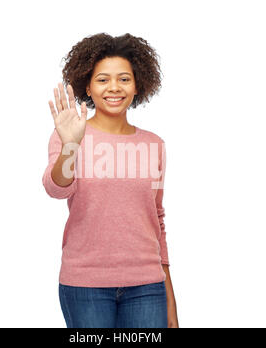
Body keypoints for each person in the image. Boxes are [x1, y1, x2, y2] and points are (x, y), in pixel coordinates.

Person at [42, 33, 179, 328]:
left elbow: (157, 219)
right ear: (87, 87)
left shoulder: (154, 144)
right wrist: (70, 146)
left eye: (124, 79)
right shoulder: (70, 135)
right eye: (103, 80)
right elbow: (55, 188)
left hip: (147, 286)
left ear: (137, 85)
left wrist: (170, 297)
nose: (114, 88)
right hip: (85, 284)